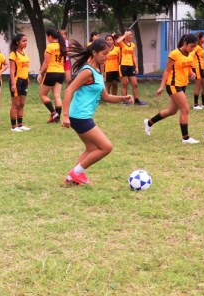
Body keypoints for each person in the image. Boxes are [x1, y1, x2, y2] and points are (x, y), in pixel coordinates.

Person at [61, 39, 133, 185]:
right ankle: (76, 173)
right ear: (94, 53)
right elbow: (68, 91)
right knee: (106, 147)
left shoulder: (99, 71)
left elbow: (105, 96)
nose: (106, 56)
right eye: (104, 53)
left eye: (108, 54)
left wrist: (122, 98)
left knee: (91, 148)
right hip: (79, 116)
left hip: (82, 115)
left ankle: (71, 179)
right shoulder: (88, 71)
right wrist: (65, 116)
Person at [143, 34, 200, 144]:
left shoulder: (190, 53)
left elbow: (187, 66)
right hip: (173, 84)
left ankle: (149, 122)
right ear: (185, 44)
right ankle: (186, 138)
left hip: (183, 84)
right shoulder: (174, 54)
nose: (193, 49)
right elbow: (167, 71)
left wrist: (191, 72)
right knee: (185, 109)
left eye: (195, 47)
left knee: (172, 111)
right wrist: (161, 87)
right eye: (192, 46)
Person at [37, 28, 67, 123]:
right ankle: (57, 119)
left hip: (52, 72)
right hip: (61, 72)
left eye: (47, 37)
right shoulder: (61, 46)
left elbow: (46, 61)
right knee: (57, 95)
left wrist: (40, 72)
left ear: (50, 36)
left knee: (42, 94)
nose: (47, 39)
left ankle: (54, 114)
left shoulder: (50, 47)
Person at [116, 29, 146, 105]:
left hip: (131, 66)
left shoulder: (132, 45)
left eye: (131, 35)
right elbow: (117, 42)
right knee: (124, 84)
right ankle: (125, 101)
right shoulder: (121, 44)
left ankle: (137, 101)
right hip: (123, 65)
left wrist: (136, 67)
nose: (130, 36)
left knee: (135, 84)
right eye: (129, 34)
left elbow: (134, 56)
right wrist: (124, 35)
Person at [8, 33, 31, 132]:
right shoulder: (13, 54)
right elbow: (12, 70)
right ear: (17, 42)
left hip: (24, 80)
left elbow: (25, 67)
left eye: (26, 41)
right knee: (15, 104)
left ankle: (20, 124)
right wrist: (13, 84)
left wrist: (28, 78)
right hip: (17, 81)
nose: (25, 43)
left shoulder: (24, 53)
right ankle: (14, 127)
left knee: (22, 103)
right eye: (23, 41)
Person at [191, 32, 204, 109]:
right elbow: (190, 56)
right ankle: (195, 104)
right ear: (199, 39)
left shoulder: (202, 46)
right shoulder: (195, 47)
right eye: (203, 37)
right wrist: (191, 69)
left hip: (201, 67)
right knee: (198, 86)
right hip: (196, 67)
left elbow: (202, 57)